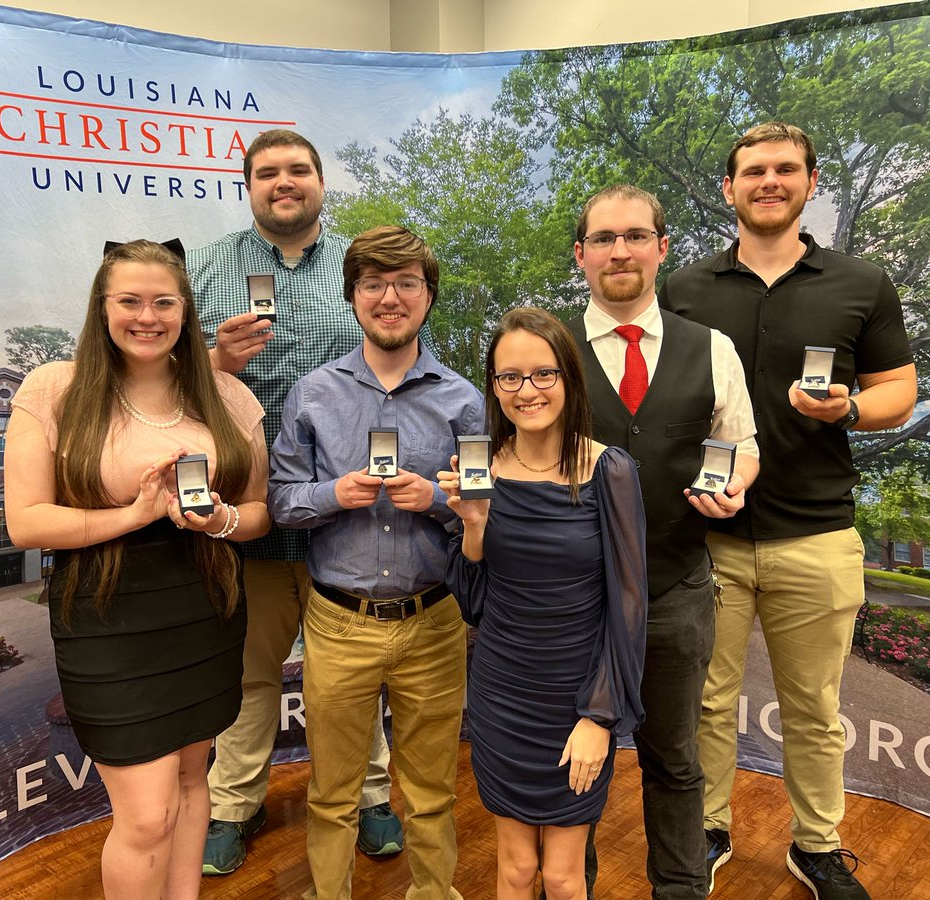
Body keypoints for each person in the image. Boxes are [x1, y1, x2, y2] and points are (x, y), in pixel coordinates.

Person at [660, 122, 917, 900]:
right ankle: (707, 830)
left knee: (814, 709)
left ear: (810, 182)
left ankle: (818, 847)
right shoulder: (685, 287)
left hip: (818, 533)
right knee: (705, 702)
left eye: (784, 170)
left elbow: (899, 390)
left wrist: (850, 411)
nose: (768, 182)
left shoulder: (861, 283)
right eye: (752, 171)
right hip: (710, 538)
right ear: (730, 189)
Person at [4, 240, 270, 899]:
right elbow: (27, 521)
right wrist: (137, 512)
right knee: (146, 815)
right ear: (102, 308)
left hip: (207, 609)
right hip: (106, 616)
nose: (146, 316)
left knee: (190, 782)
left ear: (186, 312)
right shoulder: (55, 387)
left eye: (163, 302)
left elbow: (259, 510)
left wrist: (220, 522)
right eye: (129, 301)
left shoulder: (230, 397)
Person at [188, 129, 402, 875]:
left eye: (299, 171)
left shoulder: (361, 269)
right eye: (268, 172)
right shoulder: (206, 267)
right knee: (251, 676)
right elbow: (158, 383)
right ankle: (231, 806)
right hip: (246, 515)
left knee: (355, 673)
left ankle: (372, 795)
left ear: (320, 182)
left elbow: (397, 364)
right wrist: (215, 361)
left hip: (348, 510)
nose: (285, 182)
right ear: (247, 185)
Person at [269, 226, 483, 898]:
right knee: (331, 791)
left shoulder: (465, 402)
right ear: (353, 296)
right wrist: (335, 494)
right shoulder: (312, 395)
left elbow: (483, 511)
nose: (390, 298)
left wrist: (439, 503)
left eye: (406, 283)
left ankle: (433, 892)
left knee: (430, 790)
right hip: (338, 624)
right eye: (373, 284)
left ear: (428, 295)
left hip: (434, 625)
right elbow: (280, 502)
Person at [564, 185, 760, 899]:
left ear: (661, 248)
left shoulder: (712, 348)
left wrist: (735, 483)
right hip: (573, 599)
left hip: (676, 592)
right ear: (581, 254)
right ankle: (569, 888)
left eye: (637, 236)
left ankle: (680, 889)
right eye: (606, 239)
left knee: (675, 759)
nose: (622, 251)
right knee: (572, 762)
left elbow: (742, 446)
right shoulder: (549, 350)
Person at [441, 307, 648, 900]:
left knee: (561, 876)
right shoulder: (482, 471)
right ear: (494, 386)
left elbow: (629, 605)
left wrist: (599, 717)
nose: (526, 391)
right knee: (514, 870)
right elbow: (474, 602)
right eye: (510, 377)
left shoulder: (609, 469)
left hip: (575, 697)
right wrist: (475, 525)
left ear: (568, 379)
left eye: (542, 374)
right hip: (501, 695)